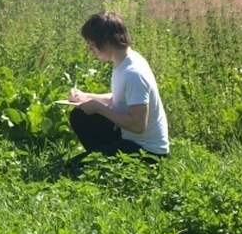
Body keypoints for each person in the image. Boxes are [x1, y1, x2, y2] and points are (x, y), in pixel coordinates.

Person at [66, 12, 170, 170]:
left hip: (148, 152)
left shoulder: (133, 73)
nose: (90, 49)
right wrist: (85, 96)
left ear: (107, 41)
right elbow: (120, 99)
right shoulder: (123, 63)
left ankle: (104, 162)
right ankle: (103, 157)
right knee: (80, 116)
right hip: (128, 137)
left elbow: (138, 125)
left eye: (92, 44)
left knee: (73, 168)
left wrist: (100, 109)